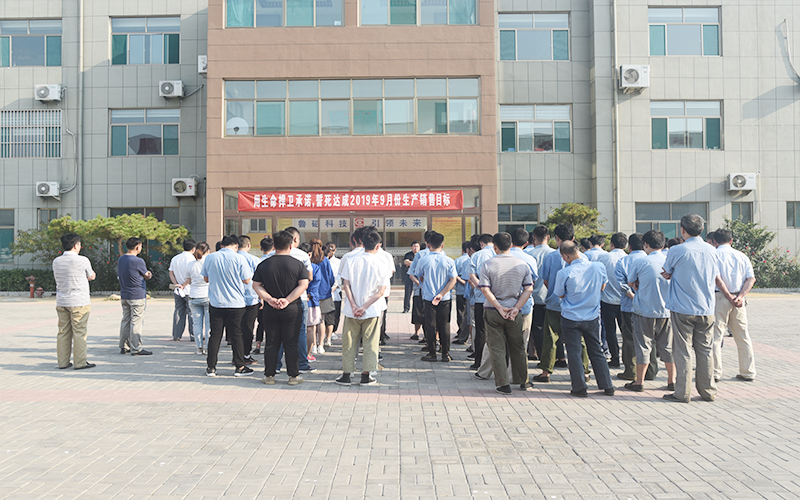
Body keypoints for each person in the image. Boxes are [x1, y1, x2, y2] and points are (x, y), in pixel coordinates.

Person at [661, 214, 720, 403]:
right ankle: (708, 391)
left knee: (683, 350)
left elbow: (666, 272)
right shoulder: (712, 251)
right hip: (706, 307)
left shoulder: (677, 250)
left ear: (683, 230)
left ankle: (683, 392)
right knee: (705, 350)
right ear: (702, 229)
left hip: (682, 307)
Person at [553, 241, 614, 397]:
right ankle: (607, 386)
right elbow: (603, 286)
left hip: (570, 316)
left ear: (565, 255)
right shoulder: (598, 266)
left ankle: (579, 388)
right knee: (597, 350)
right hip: (592, 315)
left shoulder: (564, 273)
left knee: (574, 352)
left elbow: (560, 294)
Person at [476, 228, 538, 380]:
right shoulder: (524, 263)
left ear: (495, 247)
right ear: (510, 245)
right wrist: (516, 308)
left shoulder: (488, 264)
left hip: (493, 310)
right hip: (516, 310)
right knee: (518, 346)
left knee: (495, 347)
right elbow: (529, 288)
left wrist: (499, 307)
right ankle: (521, 379)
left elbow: (485, 289)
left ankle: (501, 382)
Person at [534, 223, 590, 383]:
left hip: (554, 303)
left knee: (550, 338)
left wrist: (555, 291)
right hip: (578, 305)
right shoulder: (585, 257)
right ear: (573, 238)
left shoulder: (551, 257)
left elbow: (545, 280)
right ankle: (585, 371)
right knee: (580, 339)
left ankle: (546, 372)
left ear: (556, 239)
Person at [252, 231, 309, 386]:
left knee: (271, 342)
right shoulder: (298, 264)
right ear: (291, 245)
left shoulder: (264, 264)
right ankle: (293, 376)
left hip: (270, 309)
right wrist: (288, 300)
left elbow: (256, 285)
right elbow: (304, 284)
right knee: (291, 343)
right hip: (292, 309)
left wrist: (270, 299)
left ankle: (269, 375)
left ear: (274, 246)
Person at [335, 230, 391, 386]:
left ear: (361, 242)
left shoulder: (351, 260)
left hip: (351, 310)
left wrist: (354, 305)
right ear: (378, 246)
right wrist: (364, 306)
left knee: (349, 342)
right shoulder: (382, 263)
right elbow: (381, 292)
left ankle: (347, 374)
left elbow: (346, 285)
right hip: (372, 310)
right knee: (371, 342)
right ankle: (366, 375)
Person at [625, 230, 675, 392]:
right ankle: (671, 380)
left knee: (643, 346)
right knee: (667, 347)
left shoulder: (641, 262)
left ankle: (639, 382)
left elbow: (631, 281)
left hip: (644, 310)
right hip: (667, 311)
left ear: (646, 245)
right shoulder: (670, 261)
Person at [200, 235, 254, 377]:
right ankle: (240, 367)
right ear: (236, 246)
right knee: (236, 334)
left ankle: (211, 367)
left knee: (215, 335)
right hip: (236, 303)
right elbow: (247, 280)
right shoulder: (239, 258)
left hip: (216, 302)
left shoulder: (210, 258)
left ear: (222, 245)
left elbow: (205, 278)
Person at [712, 229, 757, 382]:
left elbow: (717, 279)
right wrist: (740, 296)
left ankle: (715, 373)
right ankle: (748, 371)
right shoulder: (742, 256)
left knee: (716, 337)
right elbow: (751, 279)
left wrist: (728, 295)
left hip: (719, 297)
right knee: (742, 336)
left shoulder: (715, 255)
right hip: (739, 299)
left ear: (715, 242)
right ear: (731, 241)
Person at [615, 233, 657, 381]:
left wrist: (634, 297)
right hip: (650, 306)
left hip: (629, 307)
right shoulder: (650, 260)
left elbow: (622, 285)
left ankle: (631, 371)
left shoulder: (623, 261)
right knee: (649, 339)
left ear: (629, 246)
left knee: (629, 339)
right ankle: (651, 372)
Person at [52, 233, 97, 370]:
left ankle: (63, 362)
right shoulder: (83, 260)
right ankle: (80, 362)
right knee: (79, 332)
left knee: (63, 332)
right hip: (79, 301)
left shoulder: (56, 261)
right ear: (76, 245)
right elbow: (91, 276)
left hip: (62, 301)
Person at [417, 231, 458, 362]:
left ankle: (432, 353)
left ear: (428, 245)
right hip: (445, 298)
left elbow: (420, 276)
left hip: (429, 298)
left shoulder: (423, 260)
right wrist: (441, 293)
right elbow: (453, 280)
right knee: (445, 325)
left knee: (430, 326)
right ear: (443, 245)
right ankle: (445, 354)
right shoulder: (449, 261)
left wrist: (429, 287)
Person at [117, 237, 153, 356]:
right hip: (137, 294)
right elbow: (146, 275)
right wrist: (149, 274)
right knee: (136, 322)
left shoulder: (121, 259)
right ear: (137, 246)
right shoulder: (138, 261)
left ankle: (123, 346)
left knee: (125, 320)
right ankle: (136, 347)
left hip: (125, 294)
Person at [524, 225, 555, 361]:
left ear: (534, 238)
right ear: (548, 237)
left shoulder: (528, 255)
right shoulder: (556, 254)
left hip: (533, 297)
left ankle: (537, 355)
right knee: (551, 330)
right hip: (551, 297)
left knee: (536, 329)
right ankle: (554, 358)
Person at [598, 232, 627, 368]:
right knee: (626, 331)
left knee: (610, 331)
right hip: (625, 301)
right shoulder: (628, 258)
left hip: (607, 300)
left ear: (611, 244)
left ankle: (614, 358)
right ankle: (628, 360)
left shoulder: (604, 258)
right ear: (626, 245)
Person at [468, 233, 496, 370]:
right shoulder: (498, 253)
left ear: (481, 243)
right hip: (496, 299)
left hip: (480, 299)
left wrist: (481, 286)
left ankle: (479, 362)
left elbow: (471, 275)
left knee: (480, 331)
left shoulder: (476, 256)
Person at [308, 239, 335, 354]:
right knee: (321, 320)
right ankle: (321, 345)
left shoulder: (308, 259)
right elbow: (331, 277)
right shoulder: (325, 260)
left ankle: (312, 346)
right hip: (324, 292)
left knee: (312, 322)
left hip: (310, 293)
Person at [238, 235, 261, 364]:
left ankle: (237, 355)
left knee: (237, 329)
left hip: (235, 299)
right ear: (248, 245)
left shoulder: (232, 259)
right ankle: (246, 355)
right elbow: (260, 281)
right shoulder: (254, 260)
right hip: (251, 299)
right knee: (248, 328)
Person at [169, 239, 196, 341]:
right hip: (189, 289)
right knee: (191, 313)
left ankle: (177, 335)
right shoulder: (192, 260)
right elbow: (192, 275)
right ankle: (193, 335)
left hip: (178, 290)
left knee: (178, 311)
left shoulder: (175, 258)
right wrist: (184, 285)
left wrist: (176, 284)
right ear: (193, 249)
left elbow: (171, 272)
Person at [408, 233, 433, 341]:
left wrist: (420, 284)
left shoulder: (420, 255)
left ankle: (426, 340)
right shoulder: (444, 254)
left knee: (420, 314)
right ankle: (434, 341)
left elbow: (412, 273)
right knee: (433, 317)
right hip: (437, 293)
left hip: (421, 291)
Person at [188, 242, 211, 355]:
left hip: (193, 295)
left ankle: (199, 347)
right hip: (207, 295)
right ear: (207, 251)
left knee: (196, 324)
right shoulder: (209, 262)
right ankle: (207, 347)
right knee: (208, 324)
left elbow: (188, 279)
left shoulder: (191, 264)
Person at [253, 236, 274, 355]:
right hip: (275, 296)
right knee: (272, 323)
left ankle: (258, 345)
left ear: (261, 248)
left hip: (262, 296)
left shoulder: (258, 262)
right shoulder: (275, 261)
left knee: (261, 322)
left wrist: (260, 298)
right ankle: (271, 345)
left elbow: (257, 283)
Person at [453, 241, 471, 344]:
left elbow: (454, 275)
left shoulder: (459, 260)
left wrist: (462, 281)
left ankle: (462, 332)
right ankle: (465, 334)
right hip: (470, 292)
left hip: (461, 291)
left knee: (461, 313)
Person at [323, 242, 341, 347]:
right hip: (324, 293)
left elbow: (339, 277)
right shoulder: (320, 261)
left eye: (332, 249)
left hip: (335, 292)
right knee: (324, 317)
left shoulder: (338, 262)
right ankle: (326, 336)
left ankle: (331, 333)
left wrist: (333, 288)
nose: (331, 252)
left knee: (335, 314)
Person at [402, 242, 420, 313]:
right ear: (411, 247)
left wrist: (411, 263)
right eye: (414, 246)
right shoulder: (408, 254)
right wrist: (416, 264)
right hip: (409, 275)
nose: (416, 248)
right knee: (407, 292)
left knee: (419, 293)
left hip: (418, 276)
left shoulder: (421, 255)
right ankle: (406, 308)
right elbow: (406, 262)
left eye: (417, 246)